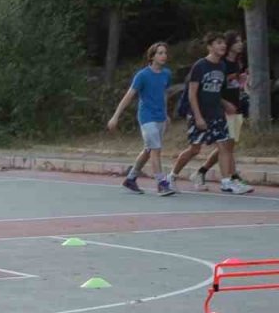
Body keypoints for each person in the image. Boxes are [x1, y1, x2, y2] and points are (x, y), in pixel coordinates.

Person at [169, 33, 248, 194]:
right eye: (219, 43)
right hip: (200, 114)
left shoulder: (222, 66)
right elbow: (192, 94)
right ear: (210, 46)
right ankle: (171, 176)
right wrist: (198, 117)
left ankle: (226, 182)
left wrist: (225, 103)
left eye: (224, 43)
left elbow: (218, 91)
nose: (223, 46)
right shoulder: (200, 65)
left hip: (217, 114)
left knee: (225, 146)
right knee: (194, 150)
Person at [107, 41, 175, 196]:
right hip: (147, 118)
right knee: (156, 150)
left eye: (165, 53)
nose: (163, 56)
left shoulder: (167, 74)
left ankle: (130, 179)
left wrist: (166, 114)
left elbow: (164, 94)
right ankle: (161, 183)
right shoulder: (142, 75)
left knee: (149, 149)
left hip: (160, 117)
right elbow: (128, 96)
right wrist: (115, 116)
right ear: (152, 56)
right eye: (160, 53)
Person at [191, 31, 253, 193]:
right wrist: (224, 103)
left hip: (237, 105)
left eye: (241, 41)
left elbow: (236, 84)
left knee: (227, 146)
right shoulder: (221, 62)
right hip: (223, 109)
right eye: (237, 41)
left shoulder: (239, 62)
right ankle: (231, 178)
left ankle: (203, 172)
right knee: (225, 146)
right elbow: (214, 89)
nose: (241, 44)